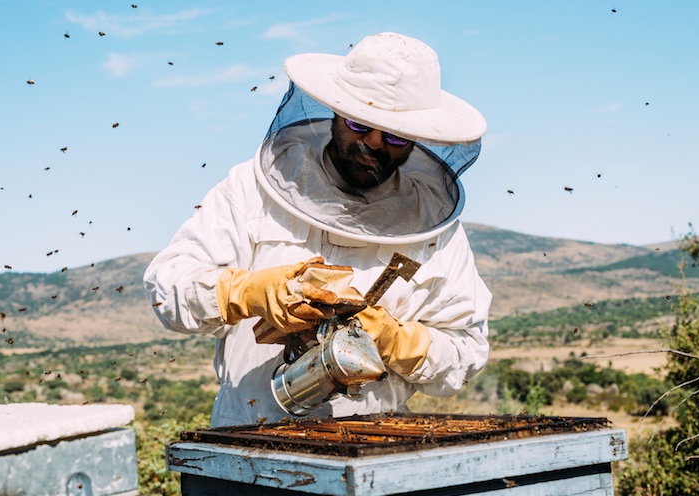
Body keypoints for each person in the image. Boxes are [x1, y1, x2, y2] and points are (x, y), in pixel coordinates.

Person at [144, 32, 492, 428]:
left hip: (376, 441)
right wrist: (243, 293)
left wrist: (398, 342)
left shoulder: (435, 226)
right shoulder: (252, 189)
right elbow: (166, 286)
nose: (374, 143)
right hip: (247, 433)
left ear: (417, 140)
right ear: (336, 112)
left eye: (395, 136)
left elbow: (467, 351)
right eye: (361, 125)